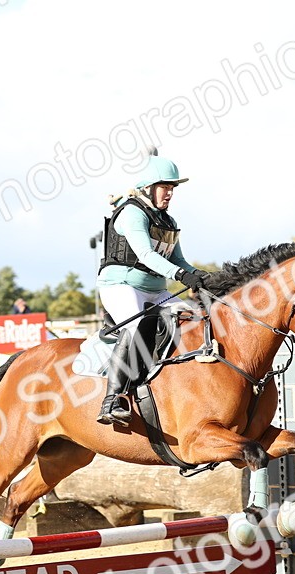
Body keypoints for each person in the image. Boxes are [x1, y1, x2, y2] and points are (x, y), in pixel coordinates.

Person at [95, 153, 208, 426]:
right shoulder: (132, 213)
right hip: (121, 285)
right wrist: (181, 275)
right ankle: (111, 400)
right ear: (148, 187)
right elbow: (145, 254)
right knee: (136, 325)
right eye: (164, 187)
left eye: (171, 189)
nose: (169, 193)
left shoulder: (167, 220)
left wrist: (199, 275)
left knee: (191, 322)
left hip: (156, 290)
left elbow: (177, 260)